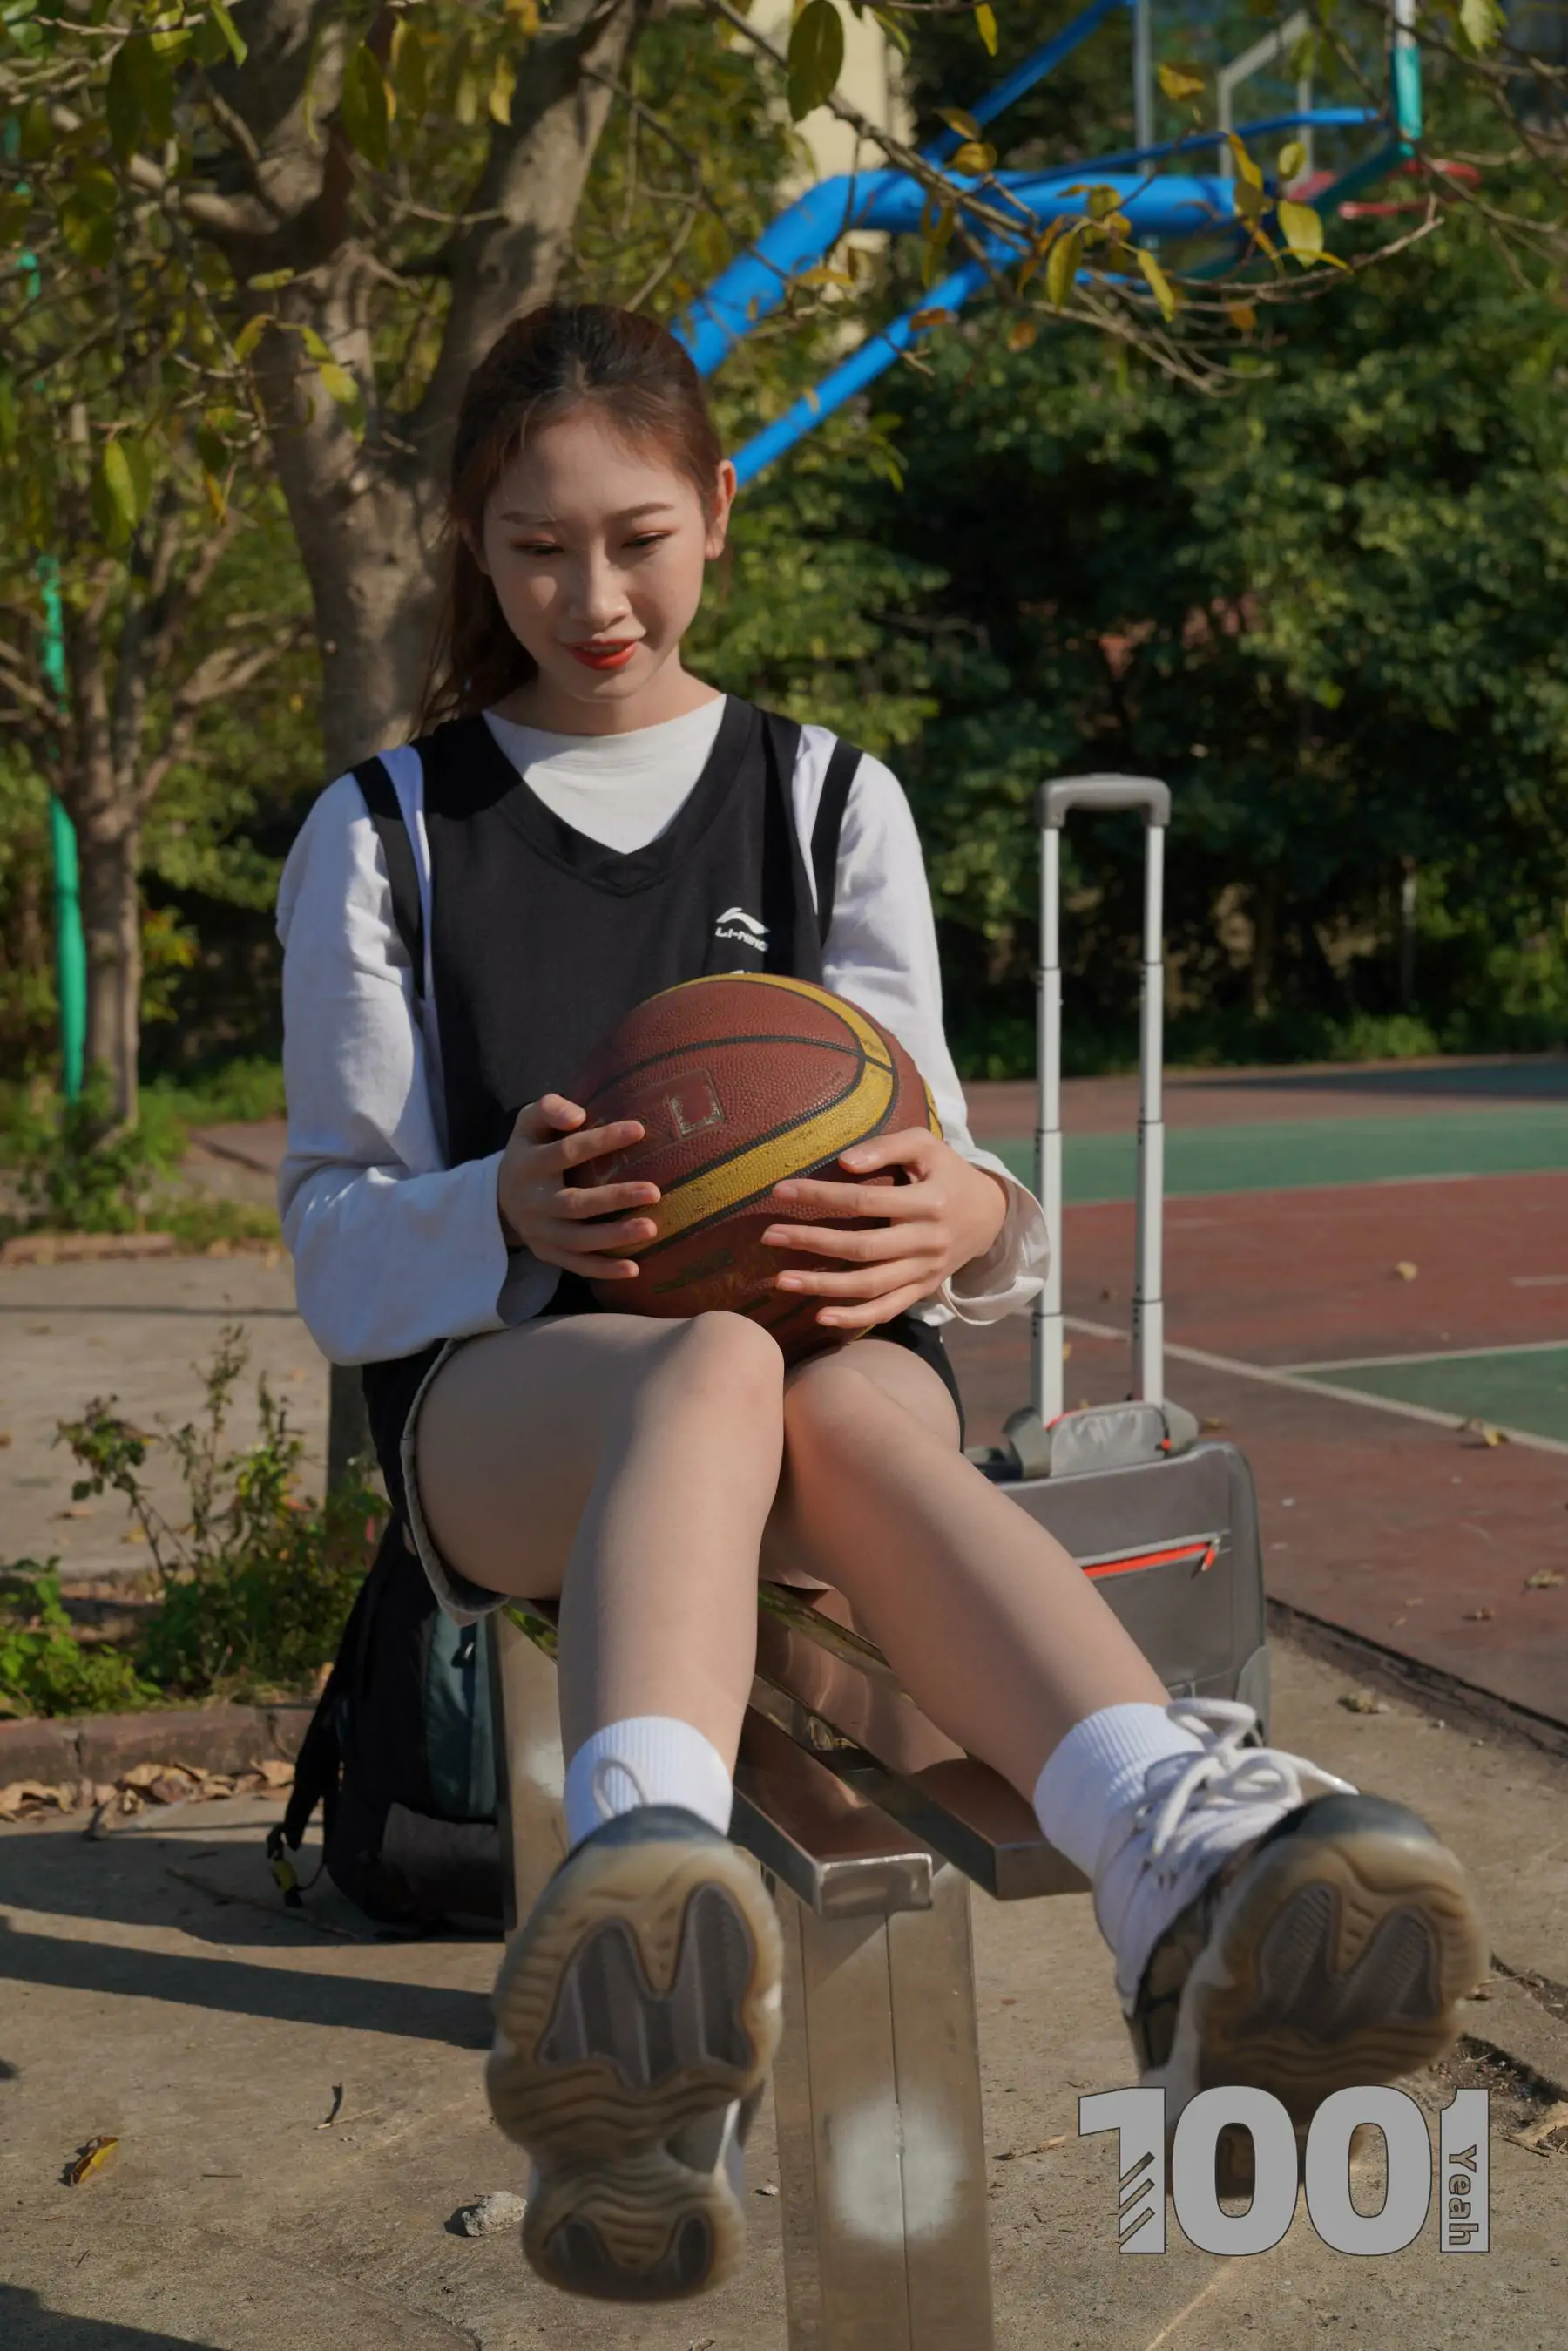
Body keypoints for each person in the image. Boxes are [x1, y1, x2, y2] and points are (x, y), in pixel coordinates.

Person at [276, 302, 1485, 2305]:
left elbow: (948, 1161)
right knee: (713, 1361)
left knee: (815, 1384)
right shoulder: (389, 827)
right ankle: (653, 1933)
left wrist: (966, 1208)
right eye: (540, 547)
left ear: (720, 508)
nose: (596, 596)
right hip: (521, 1414)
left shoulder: (830, 792)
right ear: (473, 545)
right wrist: (501, 1199)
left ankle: (1169, 1861)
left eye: (638, 537)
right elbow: (333, 1241)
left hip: (842, 1405)